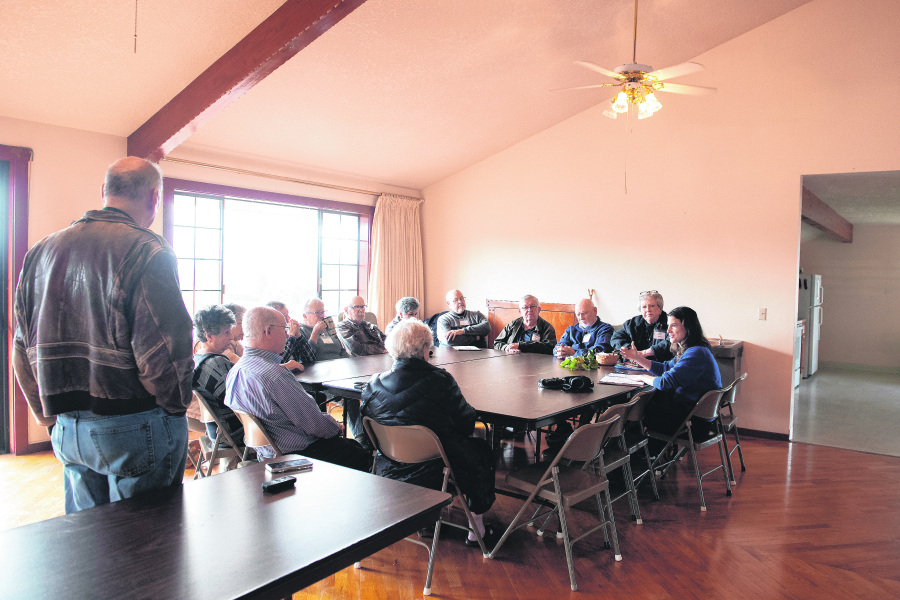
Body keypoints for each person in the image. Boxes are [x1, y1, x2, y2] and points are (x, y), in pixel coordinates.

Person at [13, 157, 193, 513]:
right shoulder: (147, 250)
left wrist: (45, 414)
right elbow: (164, 350)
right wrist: (175, 409)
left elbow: (21, 344)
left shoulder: (41, 251)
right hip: (134, 424)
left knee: (88, 549)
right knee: (145, 549)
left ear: (104, 192)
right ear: (154, 198)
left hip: (67, 427)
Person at [360, 319, 499, 547]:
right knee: (481, 449)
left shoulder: (373, 385)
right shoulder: (441, 381)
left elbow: (368, 433)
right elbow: (465, 425)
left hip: (390, 465)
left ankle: (424, 517)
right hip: (436, 469)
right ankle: (477, 530)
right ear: (425, 349)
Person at [224, 307, 370, 471]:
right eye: (285, 329)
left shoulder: (235, 371)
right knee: (366, 458)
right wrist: (335, 427)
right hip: (298, 455)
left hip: (267, 454)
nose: (288, 335)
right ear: (268, 331)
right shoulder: (274, 374)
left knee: (354, 447)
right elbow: (314, 424)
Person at [619, 306, 722, 455]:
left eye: (674, 325)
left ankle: (630, 457)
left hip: (694, 424)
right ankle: (643, 455)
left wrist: (642, 377)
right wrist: (637, 358)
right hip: (693, 416)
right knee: (643, 403)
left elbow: (665, 382)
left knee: (635, 407)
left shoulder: (696, 353)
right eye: (668, 326)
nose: (668, 331)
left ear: (688, 326)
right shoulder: (692, 349)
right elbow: (665, 368)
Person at [192, 305, 243, 445]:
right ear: (209, 336)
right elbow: (244, 399)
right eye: (227, 332)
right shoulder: (217, 364)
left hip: (215, 431)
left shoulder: (197, 359)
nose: (232, 337)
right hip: (234, 433)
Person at [611, 291, 672, 361]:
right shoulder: (633, 323)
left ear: (660, 309)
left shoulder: (670, 322)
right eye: (644, 307)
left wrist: (646, 353)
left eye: (652, 306)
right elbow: (616, 337)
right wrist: (629, 349)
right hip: (634, 366)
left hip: (659, 365)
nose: (648, 310)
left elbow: (671, 342)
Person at [493, 295, 557, 354]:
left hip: (536, 363)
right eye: (525, 307)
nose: (529, 310)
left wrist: (520, 346)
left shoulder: (547, 327)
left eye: (533, 306)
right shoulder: (513, 324)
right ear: (520, 311)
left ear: (538, 310)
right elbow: (497, 343)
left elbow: (550, 348)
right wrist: (506, 348)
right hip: (512, 361)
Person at [266, 300, 316, 371]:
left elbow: (310, 359)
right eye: (284, 315)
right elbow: (281, 361)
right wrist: (291, 336)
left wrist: (298, 336)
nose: (289, 318)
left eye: (288, 315)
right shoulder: (271, 337)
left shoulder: (291, 332)